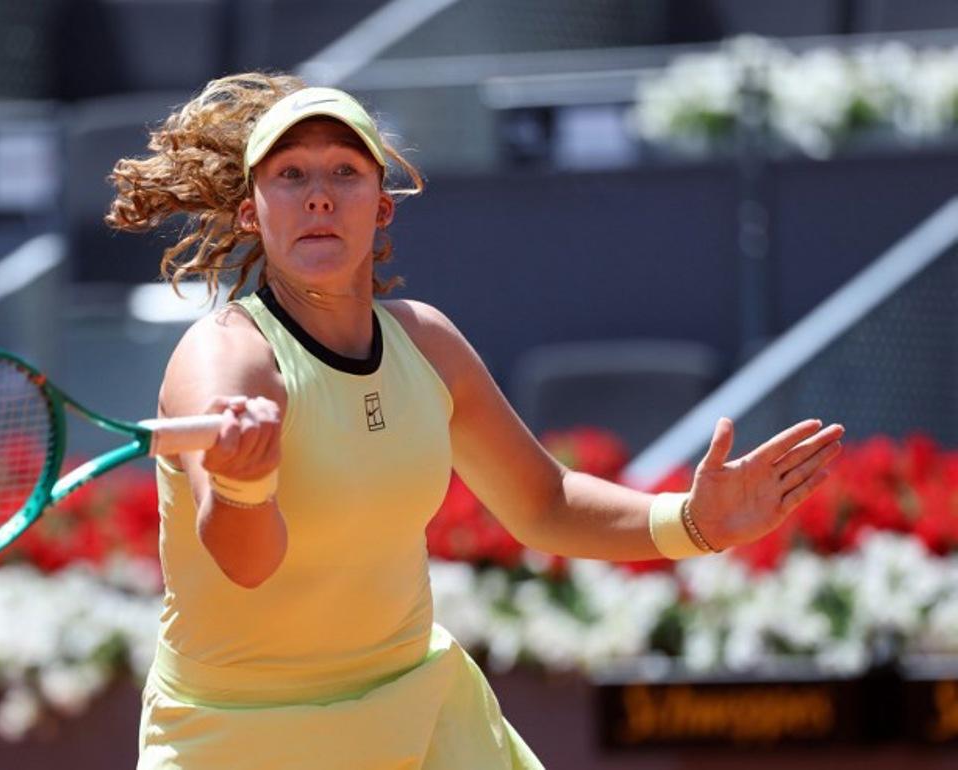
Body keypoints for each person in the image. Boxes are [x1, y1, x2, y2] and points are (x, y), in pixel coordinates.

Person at [105, 72, 845, 770]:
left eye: (344, 172)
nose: (319, 197)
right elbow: (245, 565)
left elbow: (544, 502)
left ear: (381, 205)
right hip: (243, 736)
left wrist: (693, 522)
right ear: (251, 213)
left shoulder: (428, 343)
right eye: (291, 176)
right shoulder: (224, 358)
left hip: (421, 713)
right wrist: (242, 485)